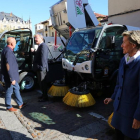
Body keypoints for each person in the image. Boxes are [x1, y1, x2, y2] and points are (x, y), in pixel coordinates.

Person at [104, 30, 140, 140]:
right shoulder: (123, 60)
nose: (121, 45)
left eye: (124, 42)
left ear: (133, 45)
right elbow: (119, 83)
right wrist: (113, 97)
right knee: (118, 136)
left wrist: (138, 117)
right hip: (119, 110)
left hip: (131, 114)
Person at [1, 37, 25, 112]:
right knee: (9, 91)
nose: (15, 44)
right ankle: (8, 106)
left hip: (11, 75)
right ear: (11, 43)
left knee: (16, 88)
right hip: (10, 76)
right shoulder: (8, 51)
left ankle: (20, 103)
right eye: (15, 43)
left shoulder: (6, 49)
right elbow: (8, 65)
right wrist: (12, 78)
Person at [31, 34, 49, 102]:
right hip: (40, 68)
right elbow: (39, 55)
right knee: (41, 83)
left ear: (41, 38)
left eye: (36, 38)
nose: (35, 39)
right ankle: (43, 95)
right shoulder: (40, 46)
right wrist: (34, 52)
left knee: (43, 83)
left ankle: (45, 97)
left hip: (42, 69)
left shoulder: (43, 46)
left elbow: (43, 58)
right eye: (35, 38)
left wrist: (42, 68)